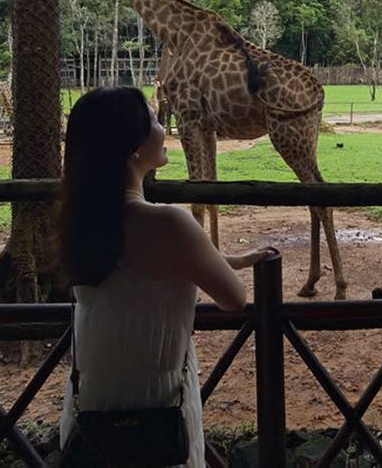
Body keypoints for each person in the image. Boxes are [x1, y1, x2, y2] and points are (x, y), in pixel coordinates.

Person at [57, 86, 277, 467]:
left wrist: (232, 258)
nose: (164, 127)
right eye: (155, 120)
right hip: (156, 415)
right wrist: (230, 267)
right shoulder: (170, 222)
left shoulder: (81, 220)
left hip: (91, 409)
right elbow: (233, 298)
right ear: (133, 147)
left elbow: (139, 270)